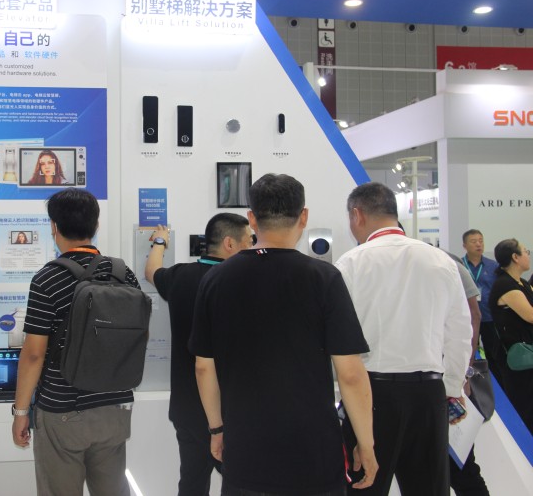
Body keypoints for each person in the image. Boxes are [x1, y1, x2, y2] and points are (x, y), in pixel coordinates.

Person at [190, 173, 378, 495]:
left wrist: (217, 429)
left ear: (252, 219)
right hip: (313, 455)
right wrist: (366, 442)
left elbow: (203, 367)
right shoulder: (324, 278)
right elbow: (350, 374)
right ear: (304, 216)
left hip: (245, 450)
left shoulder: (216, 279)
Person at [335, 182, 472, 496]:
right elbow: (460, 333)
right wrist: (451, 389)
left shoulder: (351, 263)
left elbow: (338, 339)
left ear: (357, 215)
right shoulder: (441, 261)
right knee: (429, 489)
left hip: (370, 394)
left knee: (363, 485)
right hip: (428, 393)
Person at [11, 188, 140, 496]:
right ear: (95, 225)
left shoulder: (47, 279)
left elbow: (33, 355)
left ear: (54, 226)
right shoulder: (123, 274)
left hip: (62, 411)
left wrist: (20, 412)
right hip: (114, 407)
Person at [144, 215, 252, 496]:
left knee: (192, 483)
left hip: (187, 409)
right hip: (227, 410)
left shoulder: (180, 276)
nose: (252, 247)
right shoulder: (241, 283)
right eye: (248, 241)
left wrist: (160, 241)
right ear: (230, 244)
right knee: (242, 484)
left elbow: (151, 270)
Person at [443, 251, 491, 496]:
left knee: (459, 464)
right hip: (433, 379)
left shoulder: (446, 261)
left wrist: (462, 374)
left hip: (444, 379)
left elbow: (474, 315)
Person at [488, 238, 533, 434]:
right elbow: (530, 315)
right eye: (525, 251)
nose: (528, 255)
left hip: (528, 352)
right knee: (525, 406)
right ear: (515, 257)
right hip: (518, 356)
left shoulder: (522, 283)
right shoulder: (505, 286)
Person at [462, 229, 506, 387]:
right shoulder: (459, 266)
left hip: (488, 317)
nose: (478, 244)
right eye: (473, 241)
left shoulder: (493, 266)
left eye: (480, 240)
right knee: (468, 352)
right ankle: (468, 384)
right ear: (464, 245)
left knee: (493, 354)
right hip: (467, 318)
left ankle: (497, 386)